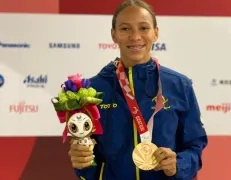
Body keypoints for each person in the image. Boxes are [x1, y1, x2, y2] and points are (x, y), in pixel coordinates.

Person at [68, 0, 208, 179]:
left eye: (143, 28)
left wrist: (178, 165)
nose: (135, 37)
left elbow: (195, 146)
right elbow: (87, 157)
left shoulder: (179, 85)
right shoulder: (92, 90)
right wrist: (83, 162)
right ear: (114, 35)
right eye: (125, 29)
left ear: (155, 33)